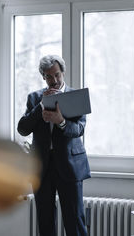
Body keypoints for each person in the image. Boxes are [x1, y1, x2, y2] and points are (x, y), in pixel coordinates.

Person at [18, 55, 91, 236]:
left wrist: (61, 122)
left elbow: (79, 129)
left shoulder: (76, 96)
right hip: (42, 168)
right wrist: (41, 105)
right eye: (49, 76)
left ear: (63, 72)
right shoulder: (35, 98)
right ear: (43, 77)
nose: (54, 81)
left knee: (74, 220)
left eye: (57, 75)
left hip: (70, 166)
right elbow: (23, 129)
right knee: (45, 221)